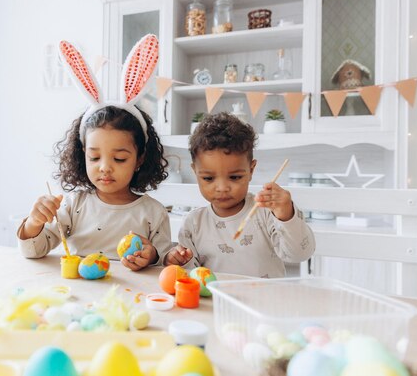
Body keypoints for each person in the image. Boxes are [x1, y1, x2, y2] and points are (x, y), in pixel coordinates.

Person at [17, 34, 172, 271]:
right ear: (82, 155)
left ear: (140, 158)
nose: (105, 167)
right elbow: (34, 251)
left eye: (119, 158)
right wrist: (34, 223)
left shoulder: (153, 212)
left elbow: (164, 262)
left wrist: (151, 256)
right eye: (94, 157)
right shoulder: (72, 205)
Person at [164, 112, 315, 278]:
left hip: (263, 301)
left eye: (235, 177)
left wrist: (286, 215)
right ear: (195, 172)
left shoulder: (267, 214)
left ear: (251, 170)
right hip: (215, 302)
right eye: (208, 178)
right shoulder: (193, 223)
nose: (222, 188)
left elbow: (300, 254)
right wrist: (177, 261)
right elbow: (191, 275)